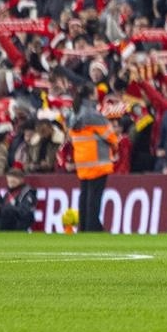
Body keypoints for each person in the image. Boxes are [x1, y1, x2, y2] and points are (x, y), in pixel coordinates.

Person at [68, 90, 119, 233]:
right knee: (94, 198)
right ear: (90, 96)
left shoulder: (73, 114)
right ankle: (93, 228)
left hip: (82, 161)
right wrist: (115, 145)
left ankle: (83, 227)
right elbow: (110, 136)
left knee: (84, 196)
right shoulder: (93, 115)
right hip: (97, 161)